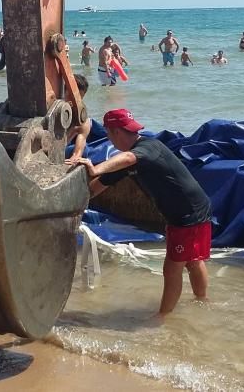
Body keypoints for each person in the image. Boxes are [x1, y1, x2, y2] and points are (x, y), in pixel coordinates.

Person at [75, 109, 211, 316]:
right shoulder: (128, 159)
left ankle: (163, 318)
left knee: (172, 269)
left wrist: (96, 168)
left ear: (115, 133)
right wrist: (73, 205)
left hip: (187, 214)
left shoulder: (148, 147)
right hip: (194, 208)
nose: (110, 142)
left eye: (110, 137)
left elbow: (129, 158)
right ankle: (202, 302)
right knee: (193, 260)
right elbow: (100, 185)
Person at [63, 74, 91, 165]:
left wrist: (75, 156)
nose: (74, 101)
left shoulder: (81, 116)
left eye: (78, 97)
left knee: (85, 150)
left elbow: (82, 136)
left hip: (63, 145)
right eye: (70, 96)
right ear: (64, 90)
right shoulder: (54, 104)